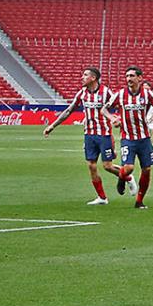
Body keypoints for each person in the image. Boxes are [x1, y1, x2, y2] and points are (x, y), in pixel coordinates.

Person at [42, 67, 122, 205]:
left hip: (104, 134)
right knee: (91, 165)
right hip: (89, 134)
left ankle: (127, 176)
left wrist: (117, 119)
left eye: (85, 75)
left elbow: (120, 106)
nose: (81, 77)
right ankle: (102, 197)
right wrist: (52, 126)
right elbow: (69, 111)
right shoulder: (82, 93)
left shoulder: (106, 92)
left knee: (107, 166)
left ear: (93, 78)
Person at [105, 66, 153, 209]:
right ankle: (122, 178)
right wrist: (112, 118)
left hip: (144, 139)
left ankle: (139, 201)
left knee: (147, 170)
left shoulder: (147, 94)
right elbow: (104, 109)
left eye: (132, 76)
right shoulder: (120, 95)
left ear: (140, 78)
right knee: (129, 168)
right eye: (127, 76)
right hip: (128, 138)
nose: (129, 79)